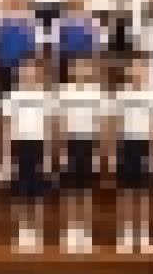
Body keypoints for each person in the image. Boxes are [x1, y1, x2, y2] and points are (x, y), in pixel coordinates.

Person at [1, 57, 55, 254]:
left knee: (38, 193)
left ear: (40, 74)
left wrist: (48, 155)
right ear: (20, 73)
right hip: (20, 146)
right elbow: (8, 127)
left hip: (39, 145)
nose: (30, 75)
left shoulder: (47, 98)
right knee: (21, 192)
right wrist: (7, 155)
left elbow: (49, 128)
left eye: (33, 71)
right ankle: (22, 230)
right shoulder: (13, 97)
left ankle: (37, 230)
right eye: (26, 71)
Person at [111, 56, 153, 254]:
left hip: (146, 144)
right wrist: (113, 151)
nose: (137, 71)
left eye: (141, 67)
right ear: (128, 71)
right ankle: (125, 234)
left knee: (143, 193)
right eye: (134, 67)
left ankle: (142, 234)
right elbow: (114, 125)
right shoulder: (121, 96)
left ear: (147, 71)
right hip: (126, 144)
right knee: (126, 192)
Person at [57, 56, 105, 254]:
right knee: (70, 190)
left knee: (86, 191)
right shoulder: (64, 93)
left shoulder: (96, 93)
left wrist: (99, 150)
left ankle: (85, 230)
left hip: (89, 143)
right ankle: (70, 229)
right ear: (71, 71)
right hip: (70, 142)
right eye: (77, 67)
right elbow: (60, 123)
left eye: (85, 66)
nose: (81, 70)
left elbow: (101, 124)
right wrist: (61, 148)